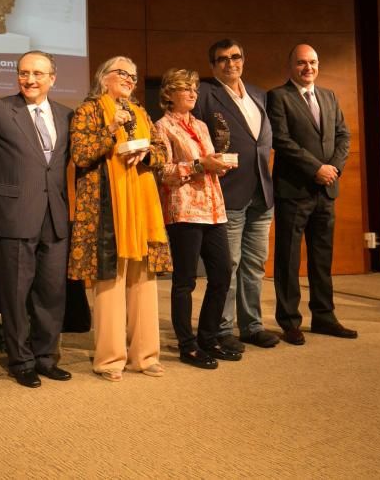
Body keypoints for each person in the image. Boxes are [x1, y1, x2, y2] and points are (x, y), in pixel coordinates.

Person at [68, 56, 172, 382]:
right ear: (104, 77)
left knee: (143, 281)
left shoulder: (140, 111)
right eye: (123, 74)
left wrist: (146, 154)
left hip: (141, 202)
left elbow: (161, 150)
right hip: (107, 206)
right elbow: (81, 154)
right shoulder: (89, 110)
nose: (130, 80)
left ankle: (145, 356)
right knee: (110, 283)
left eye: (134, 75)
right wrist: (111, 131)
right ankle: (110, 359)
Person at [0, 51, 73, 388]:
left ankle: (46, 358)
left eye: (37, 73)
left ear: (52, 78)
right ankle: (21, 361)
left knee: (52, 293)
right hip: (14, 214)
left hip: (55, 215)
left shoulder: (66, 114)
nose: (30, 80)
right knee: (15, 294)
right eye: (23, 73)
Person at [195, 39, 279, 351]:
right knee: (227, 265)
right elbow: (196, 133)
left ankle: (252, 326)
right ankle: (221, 328)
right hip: (228, 191)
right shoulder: (205, 94)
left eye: (235, 57)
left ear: (243, 59)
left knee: (255, 264)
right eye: (222, 60)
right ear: (213, 65)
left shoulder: (258, 94)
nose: (230, 64)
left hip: (261, 190)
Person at [267, 44, 355, 345]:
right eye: (302, 63)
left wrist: (334, 169)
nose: (308, 68)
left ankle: (324, 317)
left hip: (326, 190)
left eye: (313, 62)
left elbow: (344, 135)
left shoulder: (329, 96)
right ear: (290, 65)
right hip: (294, 190)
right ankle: (290, 321)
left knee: (322, 258)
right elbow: (281, 140)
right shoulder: (278, 97)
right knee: (288, 259)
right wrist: (316, 167)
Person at [154, 69, 239, 370]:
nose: (192, 93)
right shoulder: (161, 127)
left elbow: (206, 162)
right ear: (168, 95)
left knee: (221, 274)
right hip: (184, 209)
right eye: (184, 89)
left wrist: (218, 166)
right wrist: (200, 164)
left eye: (193, 88)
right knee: (185, 281)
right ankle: (187, 346)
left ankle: (208, 336)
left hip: (214, 208)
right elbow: (162, 172)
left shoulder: (202, 126)